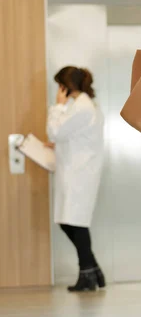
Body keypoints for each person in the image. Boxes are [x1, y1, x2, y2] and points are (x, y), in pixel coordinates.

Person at [47, 66, 105, 292]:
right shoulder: (84, 105)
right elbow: (69, 135)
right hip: (77, 170)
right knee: (69, 220)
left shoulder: (81, 107)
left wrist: (58, 106)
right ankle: (93, 270)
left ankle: (88, 274)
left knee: (75, 222)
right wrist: (58, 142)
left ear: (65, 86)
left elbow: (55, 131)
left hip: (78, 173)